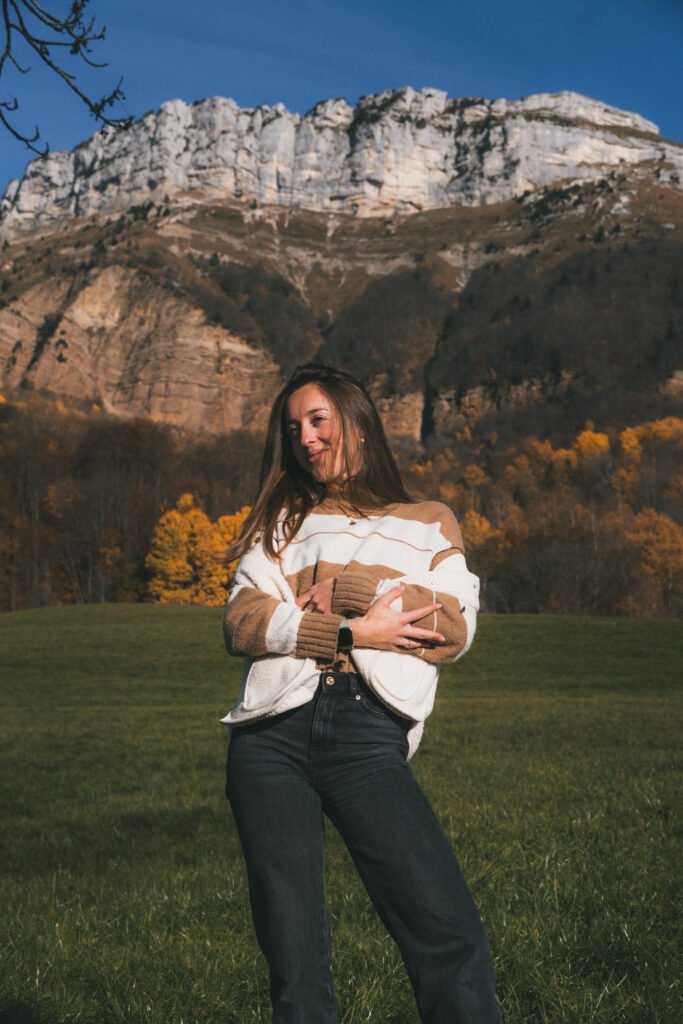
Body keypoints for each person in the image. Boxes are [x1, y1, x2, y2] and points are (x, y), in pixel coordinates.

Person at [221, 363, 502, 1024]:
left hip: (365, 733)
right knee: (295, 967)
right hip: (269, 739)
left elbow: (450, 628)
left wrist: (345, 588)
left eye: (317, 420)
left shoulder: (428, 523)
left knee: (444, 931)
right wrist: (353, 631)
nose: (305, 439)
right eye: (293, 428)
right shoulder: (280, 523)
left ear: (358, 422)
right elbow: (242, 621)